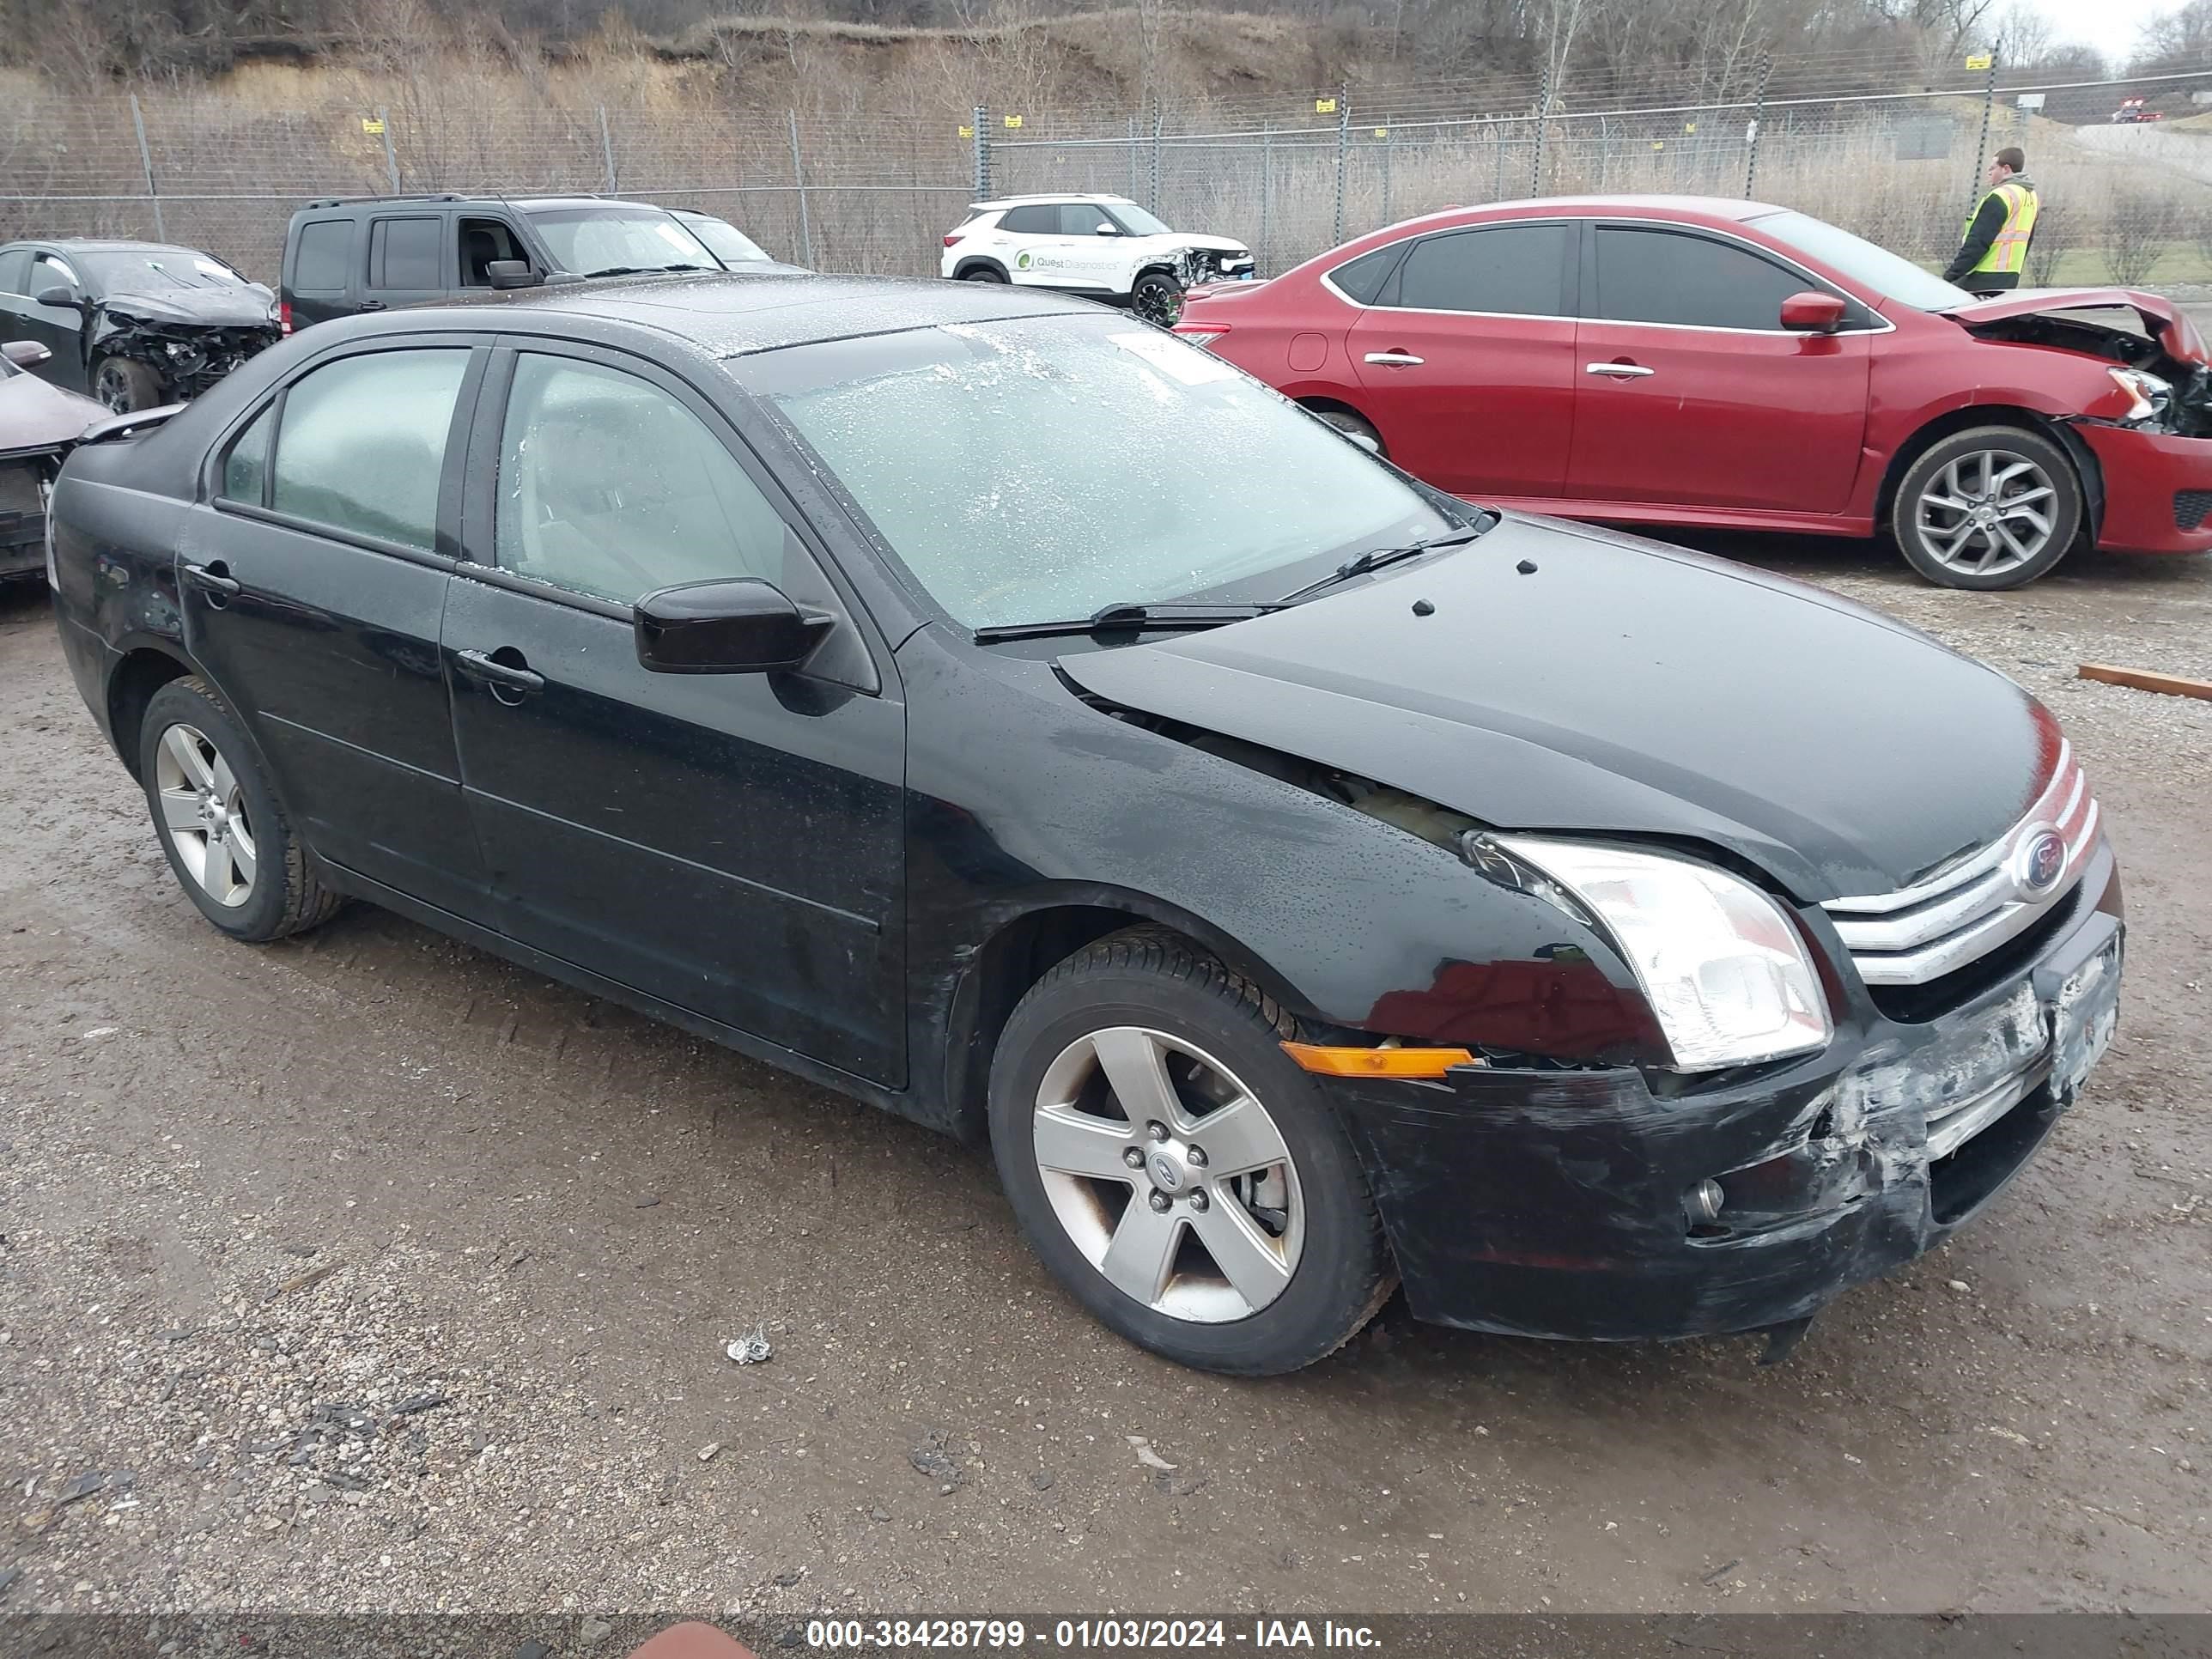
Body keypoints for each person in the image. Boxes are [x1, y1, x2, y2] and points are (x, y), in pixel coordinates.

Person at [1944, 147, 2039, 295]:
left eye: (1993, 168)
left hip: (1982, 275)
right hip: (2010, 275)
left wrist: (1950, 276)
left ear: (2006, 169)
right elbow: (2028, 239)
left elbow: (1978, 242)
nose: (1989, 173)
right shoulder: (2031, 196)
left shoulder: (2001, 196)